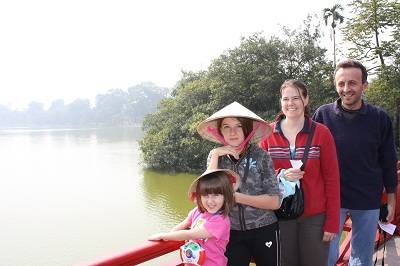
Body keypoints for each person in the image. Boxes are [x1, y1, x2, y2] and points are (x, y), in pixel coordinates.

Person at [312, 59, 398, 266]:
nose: (346, 89)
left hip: (368, 197)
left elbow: (388, 161)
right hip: (331, 198)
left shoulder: (379, 118)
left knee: (361, 257)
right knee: (326, 255)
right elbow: (311, 156)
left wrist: (392, 199)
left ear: (364, 85)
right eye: (341, 83)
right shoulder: (322, 115)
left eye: (352, 83)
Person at [260, 79, 341, 266]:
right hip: (280, 214)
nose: (290, 103)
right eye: (286, 98)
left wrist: (332, 222)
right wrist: (281, 174)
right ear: (280, 101)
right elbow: (260, 176)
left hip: (315, 216)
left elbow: (332, 179)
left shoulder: (322, 133)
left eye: (296, 98)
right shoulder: (267, 134)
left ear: (305, 100)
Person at [197, 101, 281, 266]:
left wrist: (234, 196)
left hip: (264, 229)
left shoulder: (261, 156)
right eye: (226, 126)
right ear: (220, 131)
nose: (232, 132)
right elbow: (203, 196)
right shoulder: (216, 157)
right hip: (230, 232)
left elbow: (275, 202)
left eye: (238, 126)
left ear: (247, 129)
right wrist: (214, 157)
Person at [148, 168, 238, 266]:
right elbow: (184, 224)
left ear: (226, 197)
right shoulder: (198, 211)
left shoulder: (220, 221)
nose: (210, 201)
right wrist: (170, 234)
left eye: (216, 195)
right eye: (206, 196)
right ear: (199, 196)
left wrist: (163, 236)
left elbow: (190, 234)